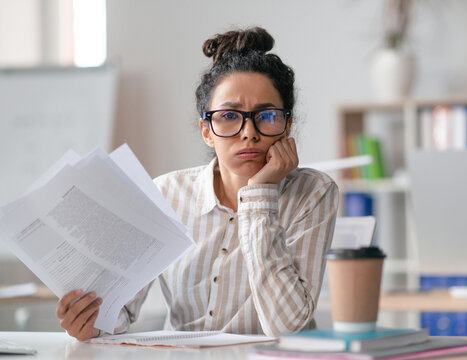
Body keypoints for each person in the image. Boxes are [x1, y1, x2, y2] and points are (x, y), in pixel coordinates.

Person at [56, 26, 339, 340]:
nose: (249, 132)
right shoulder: (166, 194)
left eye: (267, 115)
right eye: (229, 115)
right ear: (207, 130)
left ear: (286, 126)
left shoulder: (314, 193)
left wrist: (260, 195)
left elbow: (288, 329)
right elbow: (117, 311)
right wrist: (89, 320)